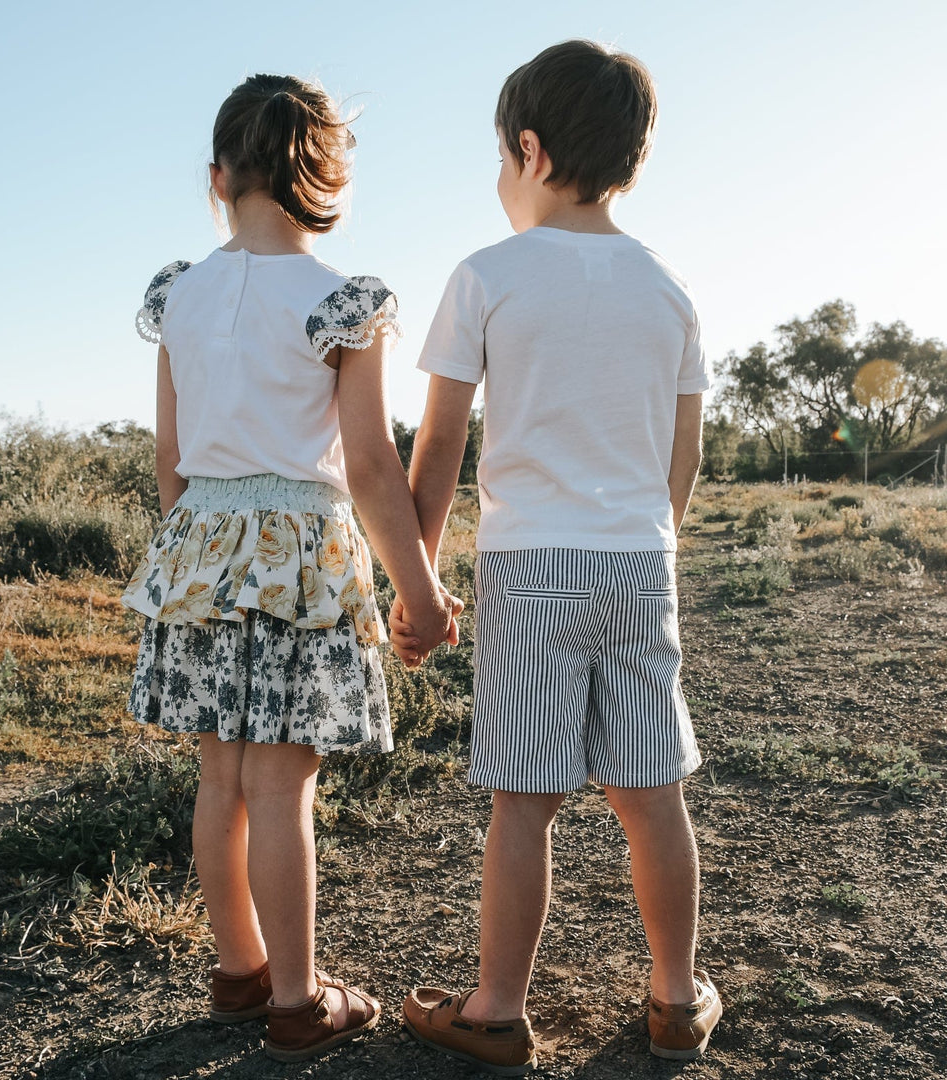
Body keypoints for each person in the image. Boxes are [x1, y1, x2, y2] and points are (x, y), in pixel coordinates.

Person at [391, 40, 721, 1075]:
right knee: (650, 792)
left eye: (501, 157)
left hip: (529, 566)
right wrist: (647, 537)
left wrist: (422, 576)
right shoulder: (668, 286)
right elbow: (685, 450)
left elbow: (440, 442)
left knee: (522, 802)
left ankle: (496, 1008)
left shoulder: (486, 276)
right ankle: (675, 996)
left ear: (528, 150)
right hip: (636, 564)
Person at [120, 73, 455, 1063]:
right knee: (281, 789)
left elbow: (169, 462)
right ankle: (300, 1000)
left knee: (219, 778)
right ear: (325, 176)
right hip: (299, 556)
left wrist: (202, 557)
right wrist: (420, 591)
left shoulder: (178, 294)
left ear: (219, 176)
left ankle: (238, 969)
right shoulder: (344, 303)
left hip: (199, 548)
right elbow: (367, 466)